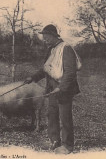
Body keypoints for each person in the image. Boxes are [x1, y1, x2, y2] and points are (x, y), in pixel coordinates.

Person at [25, 24, 81, 154]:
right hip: (52, 88)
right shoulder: (51, 49)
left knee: (65, 117)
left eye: (46, 37)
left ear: (53, 36)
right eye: (43, 37)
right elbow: (47, 69)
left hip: (64, 89)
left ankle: (67, 146)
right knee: (52, 115)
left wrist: (61, 88)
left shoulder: (66, 48)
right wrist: (33, 78)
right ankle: (54, 141)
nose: (44, 39)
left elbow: (70, 73)